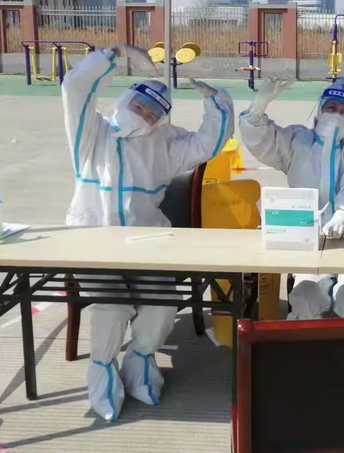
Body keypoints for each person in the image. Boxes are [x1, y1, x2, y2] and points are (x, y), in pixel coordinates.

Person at [61, 44, 234, 421]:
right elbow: (75, 87)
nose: (144, 115)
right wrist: (113, 54)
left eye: (153, 114)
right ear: (126, 101)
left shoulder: (165, 146)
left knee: (162, 303)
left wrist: (216, 103)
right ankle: (103, 372)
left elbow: (208, 143)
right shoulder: (91, 133)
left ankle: (140, 363)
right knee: (112, 306)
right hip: (93, 245)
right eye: (139, 106)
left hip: (147, 244)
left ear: (160, 122)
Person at [240, 77, 344, 319]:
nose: (336, 114)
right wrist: (258, 107)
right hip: (307, 237)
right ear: (320, 109)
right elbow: (263, 142)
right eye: (331, 107)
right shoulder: (298, 141)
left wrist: (342, 216)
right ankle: (305, 342)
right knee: (306, 295)